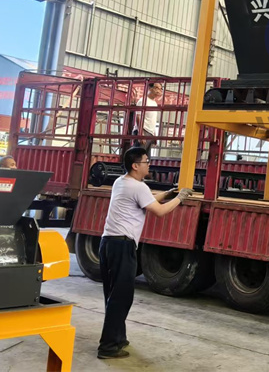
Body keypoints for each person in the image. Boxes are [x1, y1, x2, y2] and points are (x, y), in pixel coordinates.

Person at [97, 146, 193, 359]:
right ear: (135, 165)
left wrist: (168, 193)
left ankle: (117, 338)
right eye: (146, 161)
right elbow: (159, 211)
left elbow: (148, 199)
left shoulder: (121, 182)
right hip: (123, 246)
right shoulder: (138, 187)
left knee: (114, 295)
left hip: (108, 243)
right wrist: (180, 198)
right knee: (121, 298)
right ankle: (108, 347)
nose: (149, 164)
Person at [134, 82, 162, 155]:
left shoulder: (154, 103)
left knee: (146, 157)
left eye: (160, 89)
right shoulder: (143, 100)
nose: (158, 90)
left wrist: (154, 134)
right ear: (150, 88)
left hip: (150, 133)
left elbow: (152, 120)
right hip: (143, 131)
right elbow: (138, 116)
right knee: (139, 156)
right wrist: (141, 133)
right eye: (156, 88)